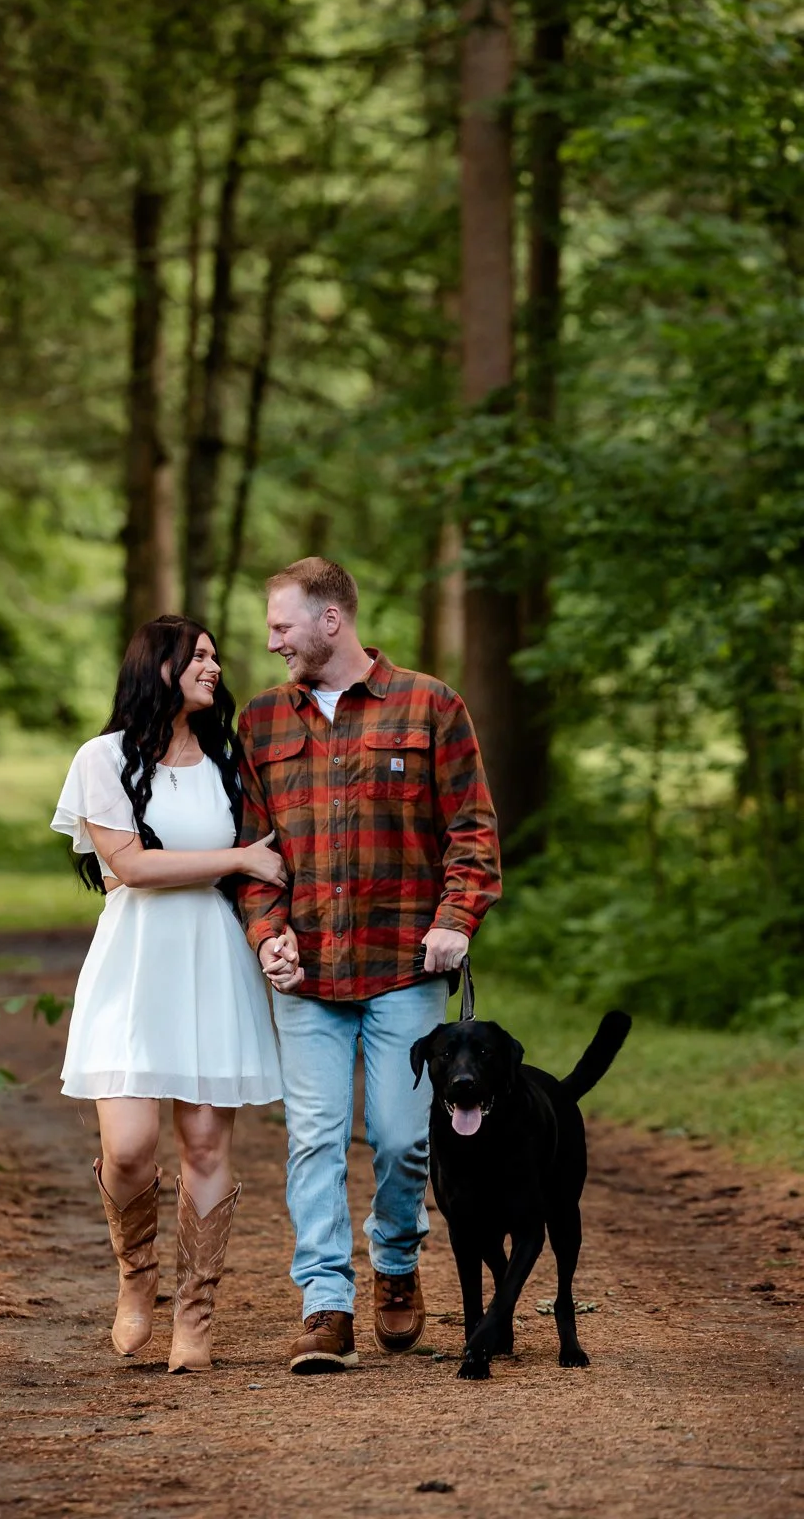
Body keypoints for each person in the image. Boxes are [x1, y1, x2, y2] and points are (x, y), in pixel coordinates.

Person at [235, 558, 501, 1374]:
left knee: (397, 1137)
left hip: (402, 968)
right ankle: (324, 1303)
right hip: (306, 976)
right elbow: (252, 853)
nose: (271, 640)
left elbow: (473, 832)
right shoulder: (260, 724)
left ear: (330, 621)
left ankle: (394, 1263)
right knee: (313, 1139)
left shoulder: (430, 705)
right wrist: (264, 931)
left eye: (282, 625)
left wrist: (456, 919)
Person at [51, 615, 284, 1373]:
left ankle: (196, 1306)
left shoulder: (227, 760)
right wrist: (240, 857)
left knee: (206, 1142)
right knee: (128, 1147)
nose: (214, 666)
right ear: (158, 667)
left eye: (217, 655)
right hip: (134, 962)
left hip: (211, 959)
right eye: (199, 656)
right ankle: (135, 1275)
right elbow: (131, 866)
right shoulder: (103, 758)